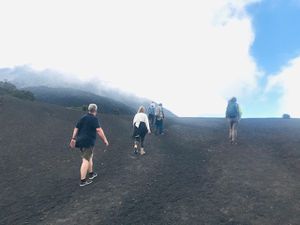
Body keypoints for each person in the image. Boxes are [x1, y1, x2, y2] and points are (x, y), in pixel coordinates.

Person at [69, 103, 109, 187]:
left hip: (80, 141)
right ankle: (83, 181)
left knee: (89, 157)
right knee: (85, 160)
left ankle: (91, 174)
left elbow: (76, 128)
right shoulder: (94, 119)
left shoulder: (83, 118)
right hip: (88, 142)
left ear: (89, 109)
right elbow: (98, 130)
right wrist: (105, 140)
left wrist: (73, 138)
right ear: (95, 111)